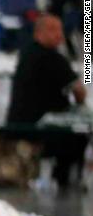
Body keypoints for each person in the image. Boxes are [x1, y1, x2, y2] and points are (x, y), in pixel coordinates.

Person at [6, 14, 88, 185]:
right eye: (52, 30)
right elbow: (79, 91)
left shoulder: (27, 54)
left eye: (60, 30)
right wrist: (80, 105)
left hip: (17, 124)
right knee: (78, 136)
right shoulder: (53, 58)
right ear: (39, 33)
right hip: (39, 128)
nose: (59, 35)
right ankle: (65, 180)